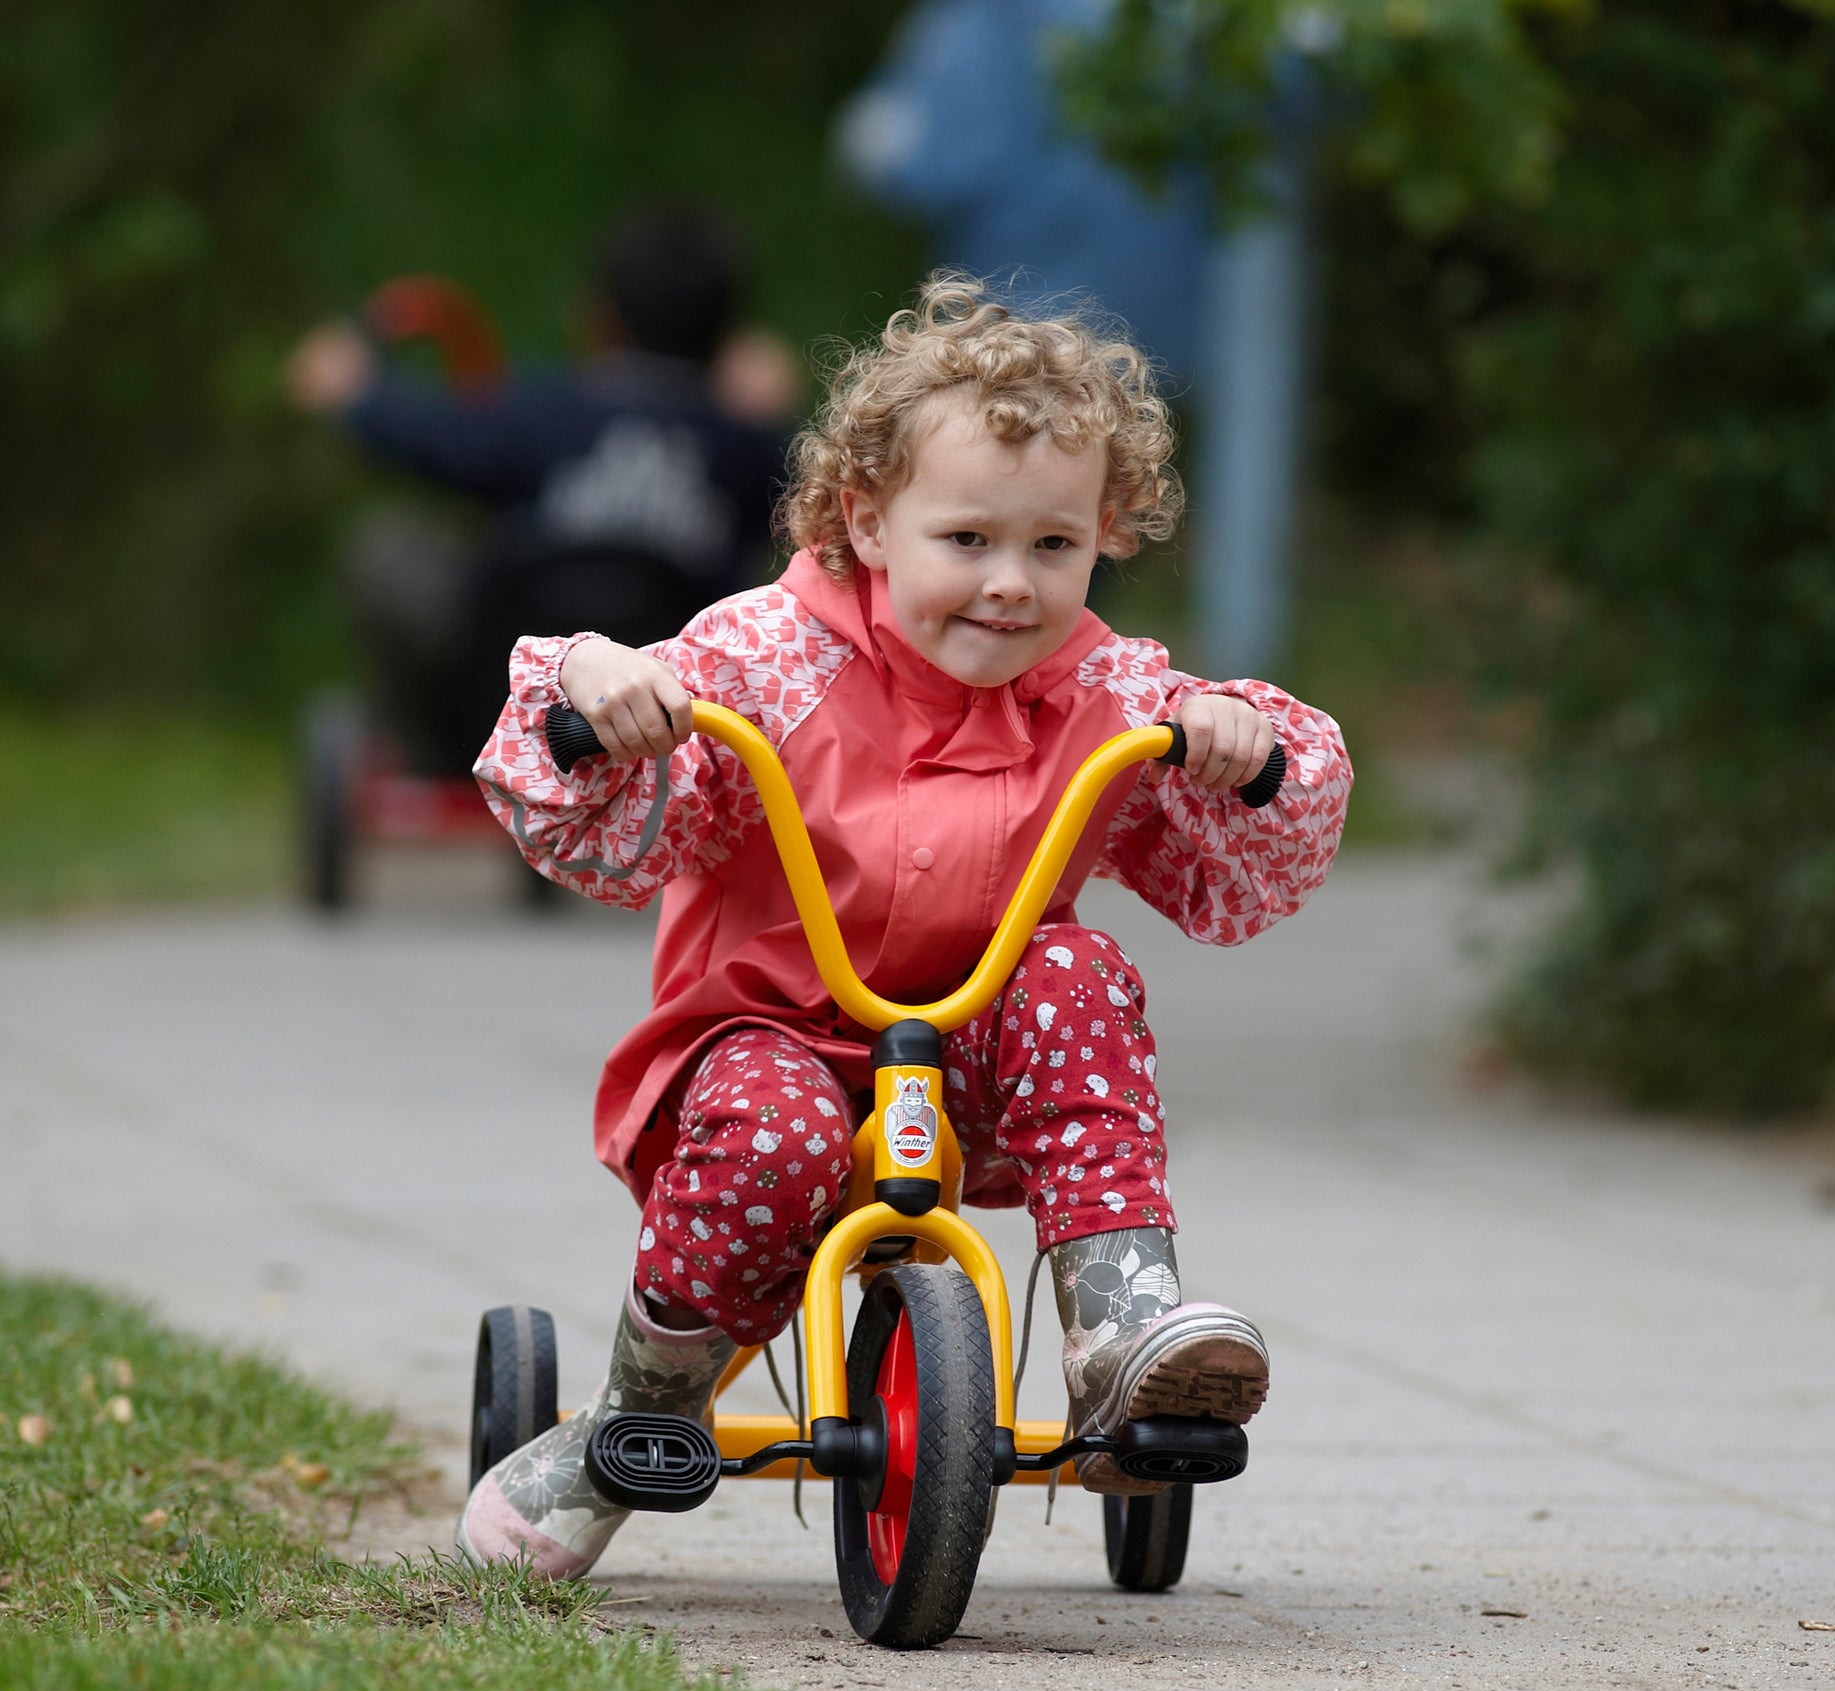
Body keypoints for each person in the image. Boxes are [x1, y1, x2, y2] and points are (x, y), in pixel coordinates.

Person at [457, 276, 1352, 1579]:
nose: (1008, 584)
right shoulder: (767, 658)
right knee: (774, 1133)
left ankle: (1117, 1332)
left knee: (1077, 972)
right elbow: (618, 773)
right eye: (966, 539)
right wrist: (607, 688)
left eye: (1052, 546)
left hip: (981, 1062)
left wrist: (1239, 746)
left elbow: (1251, 844)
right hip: (768, 1038)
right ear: (869, 522)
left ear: (1104, 532)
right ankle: (642, 1411)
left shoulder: (1103, 687)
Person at [288, 204, 794, 774]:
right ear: (729, 343)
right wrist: (772, 416)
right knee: (779, 586)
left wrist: (357, 392)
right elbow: (831, 484)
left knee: (389, 548)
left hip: (502, 706)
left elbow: (417, 432)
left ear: (599, 319)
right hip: (678, 722)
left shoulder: (533, 416)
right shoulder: (749, 449)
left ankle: (431, 752)